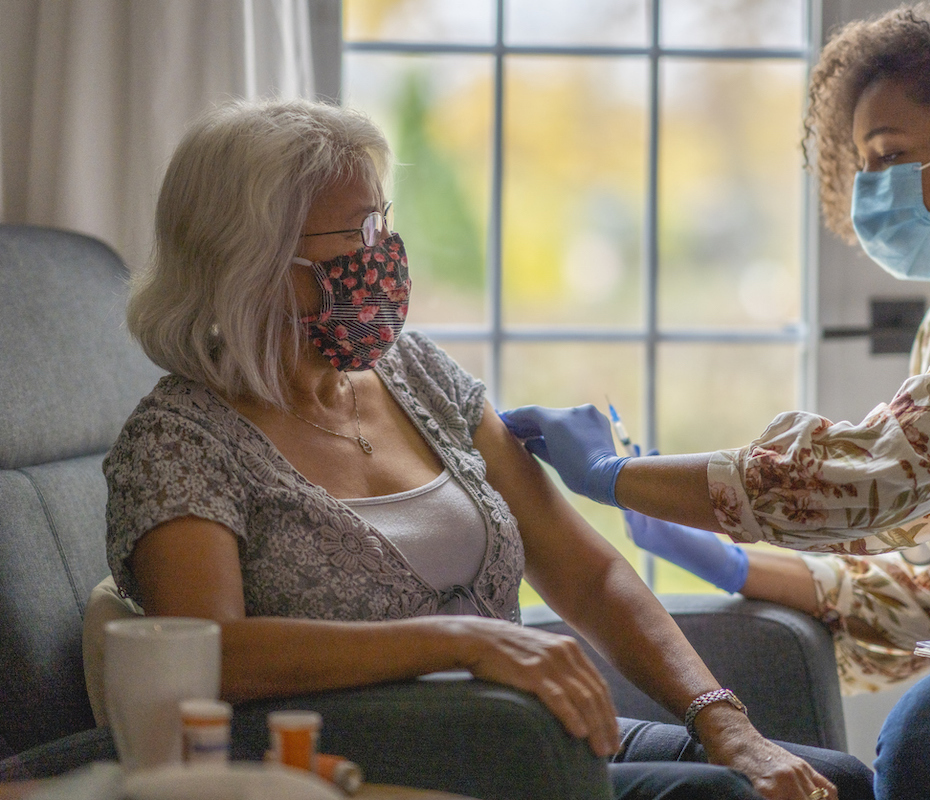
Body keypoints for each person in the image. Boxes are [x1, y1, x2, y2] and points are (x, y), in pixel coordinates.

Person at [501, 7, 930, 800]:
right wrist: (734, 563)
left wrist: (617, 474)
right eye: (862, 166)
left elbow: (887, 473)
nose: (871, 191)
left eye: (893, 157)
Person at [103, 98, 873, 800]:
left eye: (383, 224)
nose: (384, 255)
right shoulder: (179, 439)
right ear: (253, 259)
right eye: (356, 235)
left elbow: (589, 574)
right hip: (372, 757)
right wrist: (459, 640)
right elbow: (212, 653)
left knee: (831, 782)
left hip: (526, 737)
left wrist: (723, 722)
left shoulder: (417, 373)